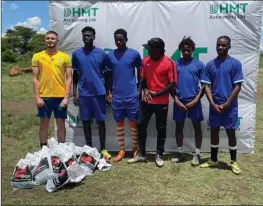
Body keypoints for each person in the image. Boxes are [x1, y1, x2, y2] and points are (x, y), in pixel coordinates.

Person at [128, 38, 177, 167]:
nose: (148, 51)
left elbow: (172, 83)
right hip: (147, 100)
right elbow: (142, 78)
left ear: (158, 50)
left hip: (161, 102)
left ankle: (159, 154)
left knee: (161, 128)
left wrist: (158, 93)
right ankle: (141, 154)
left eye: (150, 49)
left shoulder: (169, 62)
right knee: (140, 124)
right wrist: (145, 90)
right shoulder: (145, 61)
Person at [200, 36, 244, 175]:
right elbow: (206, 86)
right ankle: (213, 160)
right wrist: (213, 104)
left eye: (223, 45)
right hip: (215, 106)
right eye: (218, 45)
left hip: (229, 107)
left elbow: (237, 86)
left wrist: (227, 104)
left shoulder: (235, 64)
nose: (220, 47)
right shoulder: (210, 65)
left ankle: (233, 162)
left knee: (231, 133)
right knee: (214, 131)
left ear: (229, 47)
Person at [72, 26, 111, 161]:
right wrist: (75, 93)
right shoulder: (76, 54)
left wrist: (108, 92)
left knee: (101, 122)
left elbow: (107, 74)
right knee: (86, 122)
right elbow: (75, 75)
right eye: (84, 35)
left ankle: (103, 148)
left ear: (94, 37)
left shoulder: (101, 54)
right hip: (84, 94)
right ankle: (88, 148)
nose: (86, 38)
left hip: (99, 93)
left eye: (89, 35)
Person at [106, 29, 142, 162]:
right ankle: (121, 150)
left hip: (131, 95)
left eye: (121, 39)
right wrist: (108, 91)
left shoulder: (134, 54)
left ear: (126, 39)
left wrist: (139, 88)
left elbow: (140, 69)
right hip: (117, 96)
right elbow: (108, 75)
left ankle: (135, 149)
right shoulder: (110, 55)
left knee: (133, 124)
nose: (118, 42)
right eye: (116, 40)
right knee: (119, 124)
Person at [32, 30, 72, 148]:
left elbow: (69, 78)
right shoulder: (37, 56)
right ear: (45, 40)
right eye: (48, 38)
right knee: (44, 124)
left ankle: (61, 150)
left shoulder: (65, 57)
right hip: (44, 96)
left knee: (61, 124)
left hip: (60, 97)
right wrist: (37, 97)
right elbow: (35, 78)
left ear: (57, 40)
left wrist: (66, 97)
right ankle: (43, 149)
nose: (50, 40)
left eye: (53, 38)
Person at [170, 37, 205, 166]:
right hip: (179, 101)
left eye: (188, 49)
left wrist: (196, 100)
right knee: (179, 128)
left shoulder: (199, 65)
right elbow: (170, 85)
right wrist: (176, 100)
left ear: (192, 50)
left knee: (197, 128)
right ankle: (180, 153)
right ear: (180, 50)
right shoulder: (175, 64)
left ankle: (197, 154)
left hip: (194, 102)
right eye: (184, 49)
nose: (186, 51)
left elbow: (204, 86)